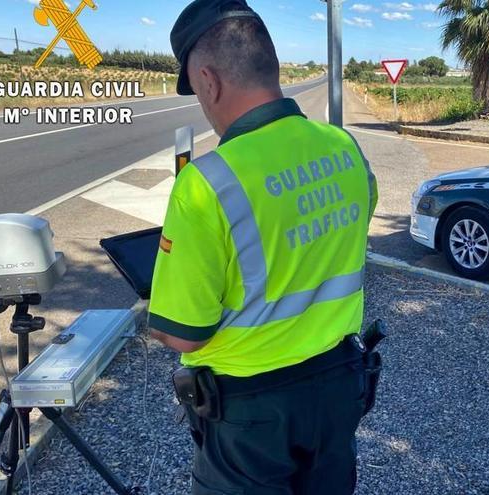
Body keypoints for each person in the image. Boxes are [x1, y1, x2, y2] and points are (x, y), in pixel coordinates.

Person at [148, 1, 380, 494]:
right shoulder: (345, 149)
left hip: (250, 412)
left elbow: (184, 334)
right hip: (339, 385)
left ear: (208, 82)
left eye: (197, 92)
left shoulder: (205, 183)